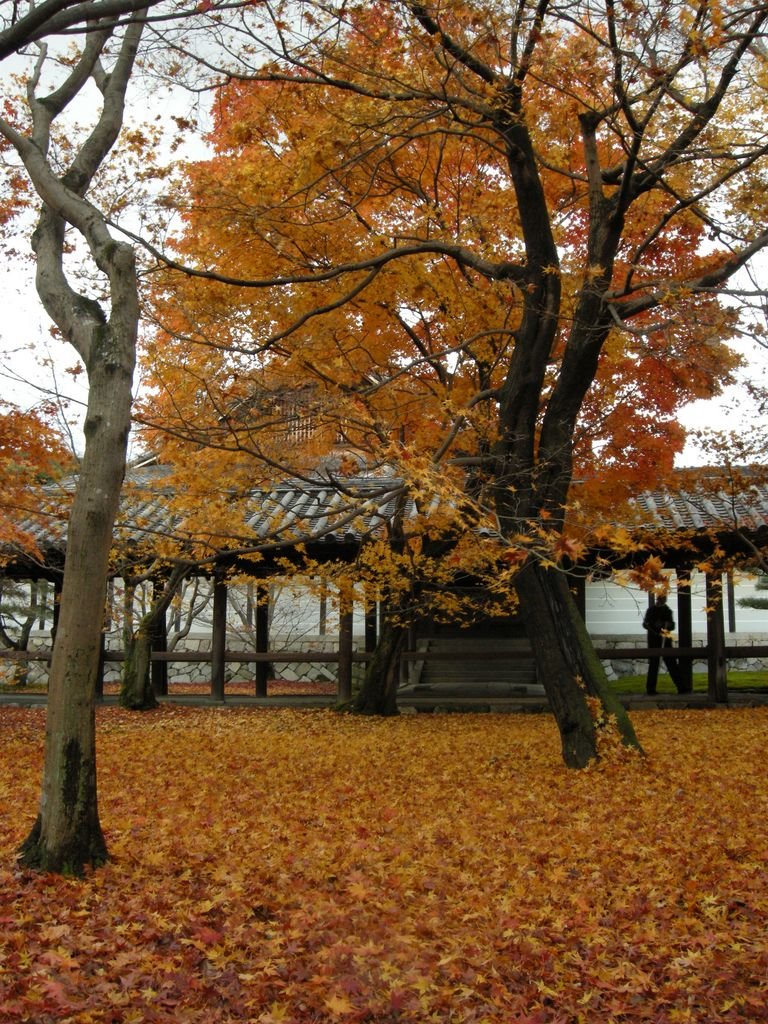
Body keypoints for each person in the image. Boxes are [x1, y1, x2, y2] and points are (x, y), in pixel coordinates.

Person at [642, 595, 688, 695]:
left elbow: (672, 625)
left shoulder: (667, 611)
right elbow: (645, 623)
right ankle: (651, 689)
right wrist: (652, 626)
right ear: (658, 599)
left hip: (665, 641)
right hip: (654, 641)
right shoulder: (651, 610)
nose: (663, 600)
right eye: (661, 598)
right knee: (654, 665)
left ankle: (681, 687)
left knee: (672, 664)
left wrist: (665, 624)